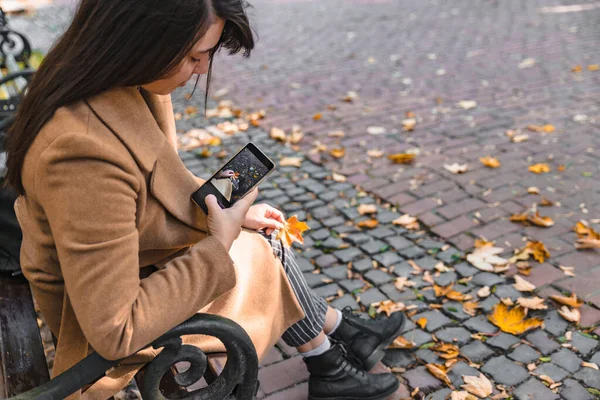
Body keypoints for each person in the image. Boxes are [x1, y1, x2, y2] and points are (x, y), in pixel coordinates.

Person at [2, 1, 406, 399]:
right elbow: (115, 330)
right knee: (264, 250)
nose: (202, 68)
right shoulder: (81, 152)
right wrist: (219, 241)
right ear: (141, 42)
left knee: (263, 236)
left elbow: (146, 183)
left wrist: (223, 213)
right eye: (195, 56)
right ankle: (331, 354)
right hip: (105, 322)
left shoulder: (116, 84)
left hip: (128, 264)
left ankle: (337, 346)